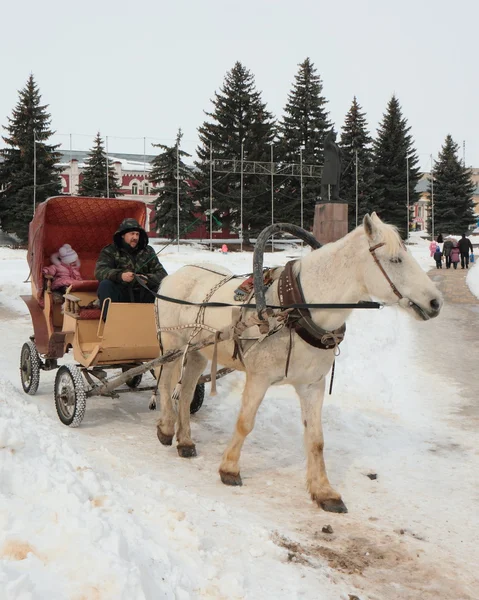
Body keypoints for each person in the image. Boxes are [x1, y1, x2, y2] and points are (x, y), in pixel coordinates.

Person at [95, 218, 167, 316]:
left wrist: (147, 279)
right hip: (121, 293)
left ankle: (154, 324)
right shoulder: (110, 251)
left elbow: (162, 274)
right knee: (105, 285)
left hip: (143, 293)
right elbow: (100, 271)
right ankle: (111, 322)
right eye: (132, 234)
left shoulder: (148, 251)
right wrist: (121, 276)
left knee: (161, 288)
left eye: (137, 234)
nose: (135, 237)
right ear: (123, 235)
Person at [320, 130, 342, 202]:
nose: (335, 137)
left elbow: (339, 154)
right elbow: (326, 139)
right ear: (331, 136)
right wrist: (330, 131)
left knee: (336, 181)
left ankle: (335, 196)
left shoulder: (336, 145)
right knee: (326, 181)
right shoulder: (328, 144)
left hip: (336, 165)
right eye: (334, 136)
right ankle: (324, 196)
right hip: (329, 165)